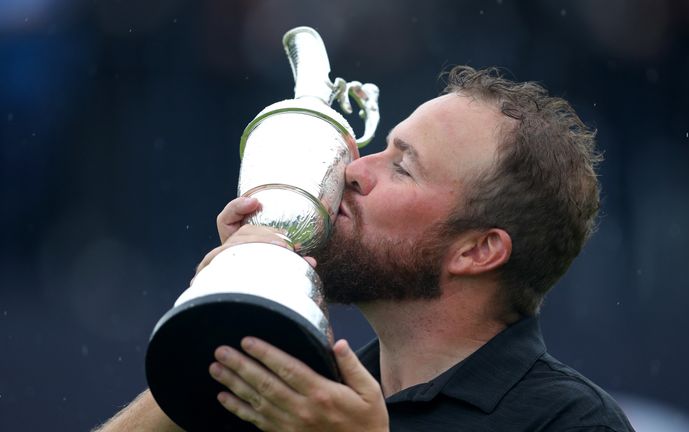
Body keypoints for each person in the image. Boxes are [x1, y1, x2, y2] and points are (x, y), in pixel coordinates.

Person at [94, 66, 634, 431]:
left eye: (402, 166)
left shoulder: (570, 421)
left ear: (476, 251)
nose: (352, 170)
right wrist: (229, 316)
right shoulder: (299, 386)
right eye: (381, 148)